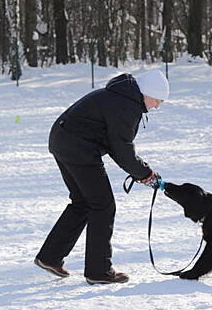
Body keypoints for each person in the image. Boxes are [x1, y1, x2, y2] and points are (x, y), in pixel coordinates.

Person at [34, 69, 169, 285]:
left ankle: (50, 257)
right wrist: (145, 174)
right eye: (157, 100)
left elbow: (118, 147)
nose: (157, 106)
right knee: (103, 205)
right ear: (147, 92)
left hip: (62, 140)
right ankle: (99, 271)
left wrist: (141, 173)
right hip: (78, 147)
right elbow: (122, 149)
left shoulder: (122, 97)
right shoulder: (126, 105)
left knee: (83, 202)